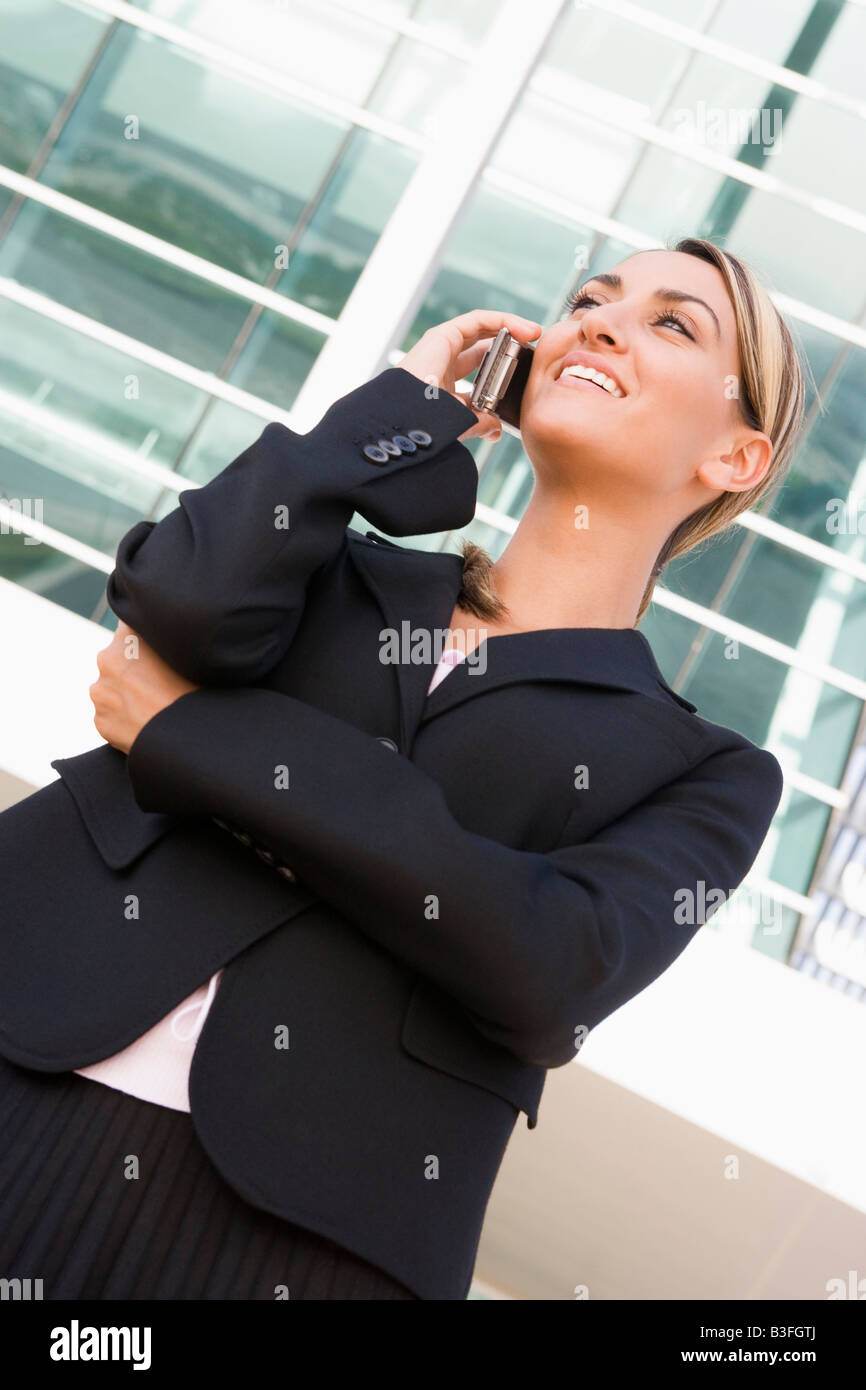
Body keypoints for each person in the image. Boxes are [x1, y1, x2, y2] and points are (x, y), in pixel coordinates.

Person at [0, 236, 805, 1300]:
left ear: (732, 459)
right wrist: (388, 417)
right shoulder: (328, 566)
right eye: (587, 299)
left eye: (672, 323)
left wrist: (197, 739)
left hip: (307, 1245)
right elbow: (176, 602)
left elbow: (546, 970)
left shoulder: (705, 770)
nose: (601, 321)